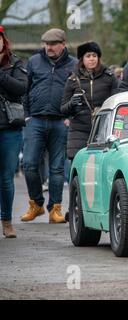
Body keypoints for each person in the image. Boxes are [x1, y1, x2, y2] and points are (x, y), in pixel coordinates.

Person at [21, 28, 77, 224]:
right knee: (28, 164)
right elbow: (24, 90)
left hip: (60, 121)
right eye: (46, 44)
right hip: (35, 120)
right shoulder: (34, 61)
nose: (49, 47)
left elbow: (78, 93)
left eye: (53, 44)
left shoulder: (74, 64)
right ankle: (36, 204)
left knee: (57, 169)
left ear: (63, 44)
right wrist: (26, 116)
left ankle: (55, 208)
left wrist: (70, 116)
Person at [61, 42, 119, 161]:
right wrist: (72, 103)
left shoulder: (109, 77)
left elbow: (116, 102)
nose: (92, 59)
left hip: (103, 129)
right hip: (79, 130)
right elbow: (63, 109)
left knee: (102, 163)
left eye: (94, 55)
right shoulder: (72, 80)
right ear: (82, 59)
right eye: (88, 56)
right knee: (78, 165)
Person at [0, 25, 28, 238]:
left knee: (7, 178)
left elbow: (21, 88)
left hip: (9, 128)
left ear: (3, 41)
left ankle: (7, 221)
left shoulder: (15, 63)